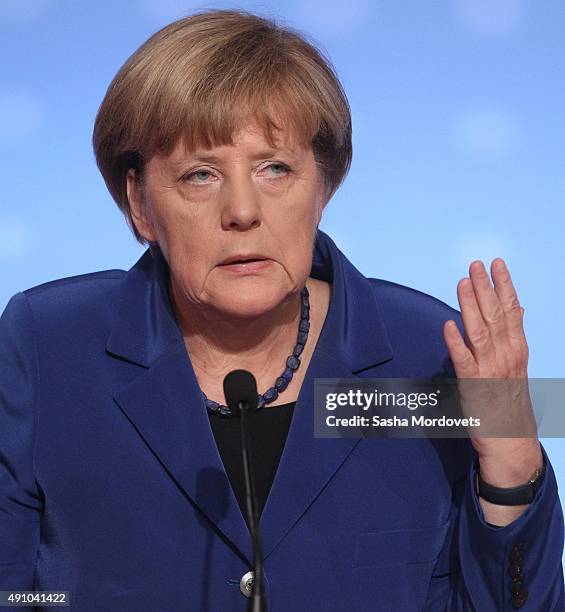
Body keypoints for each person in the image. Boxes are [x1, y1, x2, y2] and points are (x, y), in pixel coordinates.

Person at [0, 8, 563, 612]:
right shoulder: (47, 344)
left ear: (322, 186)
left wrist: (513, 466)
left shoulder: (428, 352)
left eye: (274, 168)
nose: (242, 210)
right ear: (140, 204)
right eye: (199, 174)